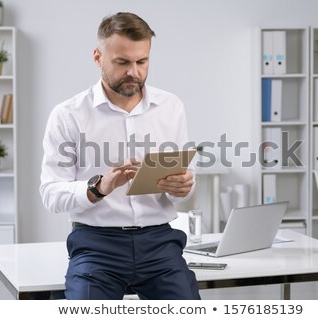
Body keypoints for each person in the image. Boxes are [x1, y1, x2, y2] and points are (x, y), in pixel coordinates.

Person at [40, 12, 200, 300]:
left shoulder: (171, 107)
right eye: (122, 62)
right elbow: (50, 194)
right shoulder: (68, 115)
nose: (134, 72)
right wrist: (98, 188)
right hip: (96, 245)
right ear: (98, 57)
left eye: (142, 62)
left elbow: (181, 191)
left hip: (160, 243)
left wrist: (183, 187)